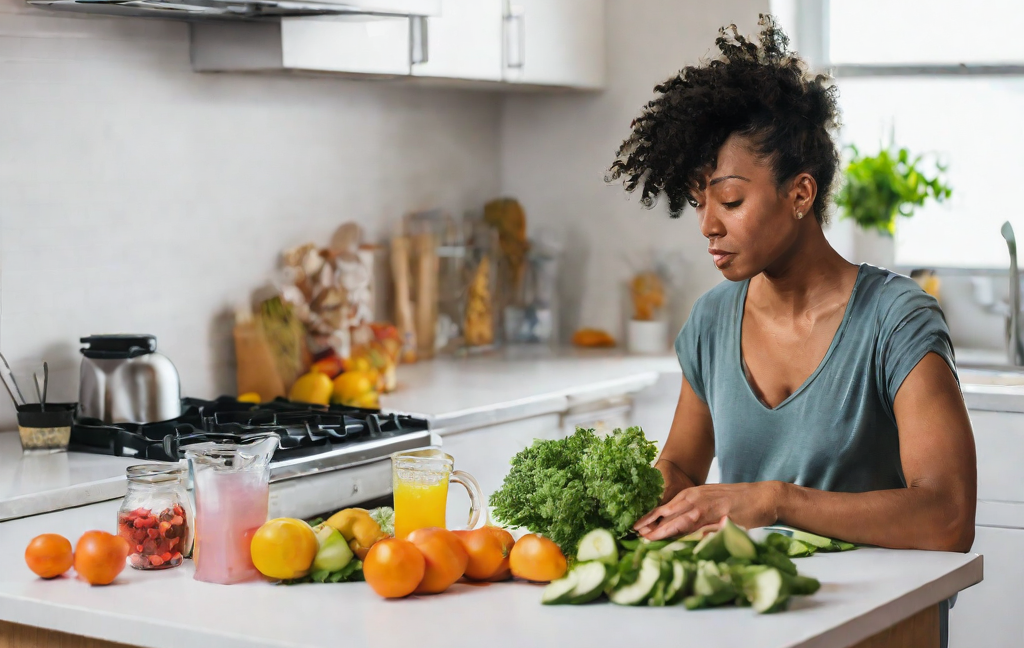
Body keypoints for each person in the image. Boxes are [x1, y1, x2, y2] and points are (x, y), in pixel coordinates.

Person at [609, 16, 976, 554]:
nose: (708, 223)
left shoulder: (896, 319)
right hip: (758, 612)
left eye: (730, 200)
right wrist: (621, 504)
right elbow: (683, 467)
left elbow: (948, 518)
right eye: (698, 202)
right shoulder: (712, 320)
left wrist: (776, 501)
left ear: (801, 194)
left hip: (885, 618)